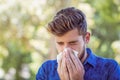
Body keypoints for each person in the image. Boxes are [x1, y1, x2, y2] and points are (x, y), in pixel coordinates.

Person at [36, 7, 120, 80]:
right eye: (60, 43)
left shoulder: (109, 69)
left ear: (86, 38)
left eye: (72, 43)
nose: (66, 50)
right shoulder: (46, 70)